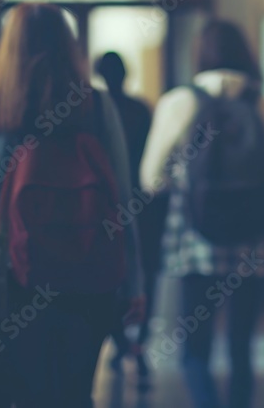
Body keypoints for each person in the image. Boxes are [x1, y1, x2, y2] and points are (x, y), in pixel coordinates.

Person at [0, 4, 146, 407]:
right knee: (74, 394)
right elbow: (123, 200)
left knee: (23, 393)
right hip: (89, 275)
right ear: (69, 47)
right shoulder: (97, 107)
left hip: (12, 281)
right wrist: (134, 284)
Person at [139, 20, 264, 408]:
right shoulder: (262, 106)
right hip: (255, 240)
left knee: (195, 351)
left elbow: (151, 179)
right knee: (241, 349)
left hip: (195, 239)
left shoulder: (179, 102)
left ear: (199, 53)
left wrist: (186, 177)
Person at [94, 52, 164, 381]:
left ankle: (121, 341)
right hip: (143, 205)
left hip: (105, 207)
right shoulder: (141, 109)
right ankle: (138, 343)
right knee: (145, 275)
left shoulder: (95, 111)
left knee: (110, 276)